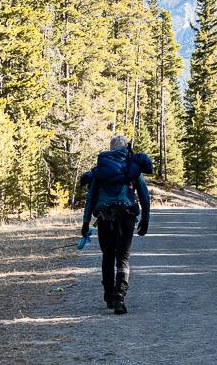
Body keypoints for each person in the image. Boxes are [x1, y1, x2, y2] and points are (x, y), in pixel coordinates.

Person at [80, 135, 152, 315]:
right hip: (126, 217)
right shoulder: (132, 168)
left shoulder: (100, 170)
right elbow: (144, 196)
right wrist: (145, 219)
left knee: (108, 256)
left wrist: (86, 222)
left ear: (111, 148)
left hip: (105, 218)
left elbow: (90, 199)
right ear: (126, 147)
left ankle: (109, 295)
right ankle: (120, 297)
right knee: (123, 258)